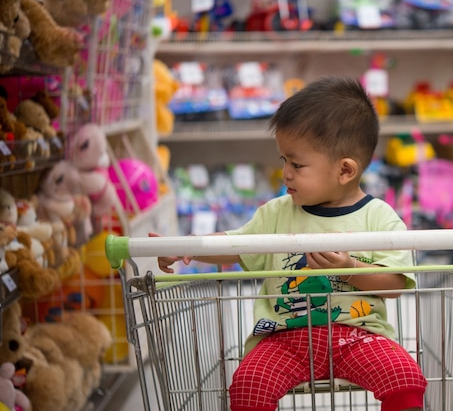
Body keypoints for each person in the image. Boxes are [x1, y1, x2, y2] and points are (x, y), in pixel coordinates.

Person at [152, 76, 427, 411]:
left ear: (345, 170)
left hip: (359, 333)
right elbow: (239, 243)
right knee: (248, 385)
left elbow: (395, 282)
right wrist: (190, 245)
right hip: (283, 338)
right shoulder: (277, 212)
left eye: (297, 164)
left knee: (405, 378)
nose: (285, 173)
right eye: (283, 160)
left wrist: (349, 267)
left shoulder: (378, 217)